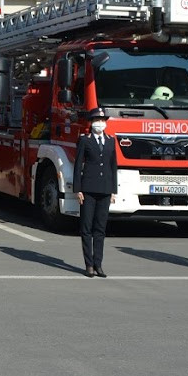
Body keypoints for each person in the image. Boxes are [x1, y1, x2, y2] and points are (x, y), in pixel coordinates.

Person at [74, 107, 118, 278]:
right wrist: (77, 189)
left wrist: (113, 190)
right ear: (91, 123)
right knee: (86, 227)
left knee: (100, 229)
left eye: (102, 120)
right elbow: (78, 165)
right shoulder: (85, 140)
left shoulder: (110, 140)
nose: (100, 123)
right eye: (97, 120)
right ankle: (89, 265)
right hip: (88, 189)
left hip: (105, 189)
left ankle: (98, 264)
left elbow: (113, 166)